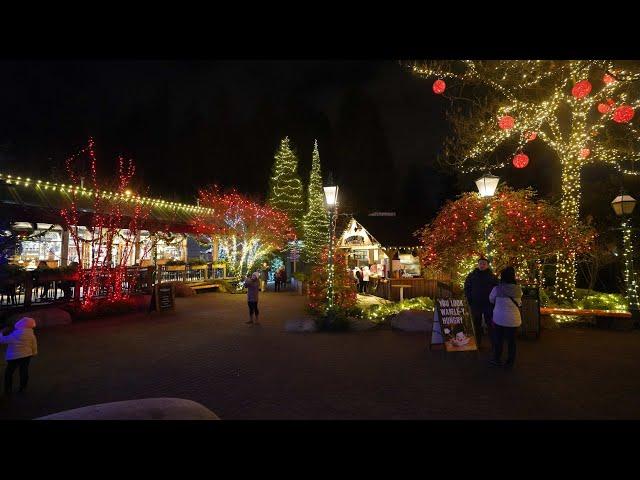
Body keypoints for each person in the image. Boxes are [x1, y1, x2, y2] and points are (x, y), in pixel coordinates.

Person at [489, 267, 522, 367]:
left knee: (498, 340)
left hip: (499, 319)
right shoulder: (518, 289)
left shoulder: (497, 289)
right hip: (513, 320)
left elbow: (491, 299)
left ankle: (497, 359)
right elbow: (519, 303)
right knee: (512, 342)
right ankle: (510, 362)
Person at [464, 256, 499, 349]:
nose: (482, 265)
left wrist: (494, 301)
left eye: (484, 263)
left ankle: (494, 344)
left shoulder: (492, 276)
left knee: (490, 324)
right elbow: (467, 288)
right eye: (480, 263)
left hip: (488, 304)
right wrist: (470, 298)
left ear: (487, 265)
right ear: (478, 264)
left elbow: (497, 288)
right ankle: (477, 343)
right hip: (476, 303)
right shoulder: (472, 275)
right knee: (476, 324)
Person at [1, 317, 38, 395]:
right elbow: (34, 344)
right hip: (26, 355)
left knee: (9, 372)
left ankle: (8, 389)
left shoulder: (16, 334)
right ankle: (23, 387)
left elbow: (3, 340)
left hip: (14, 357)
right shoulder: (31, 334)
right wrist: (34, 352)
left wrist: (1, 333)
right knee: (24, 371)